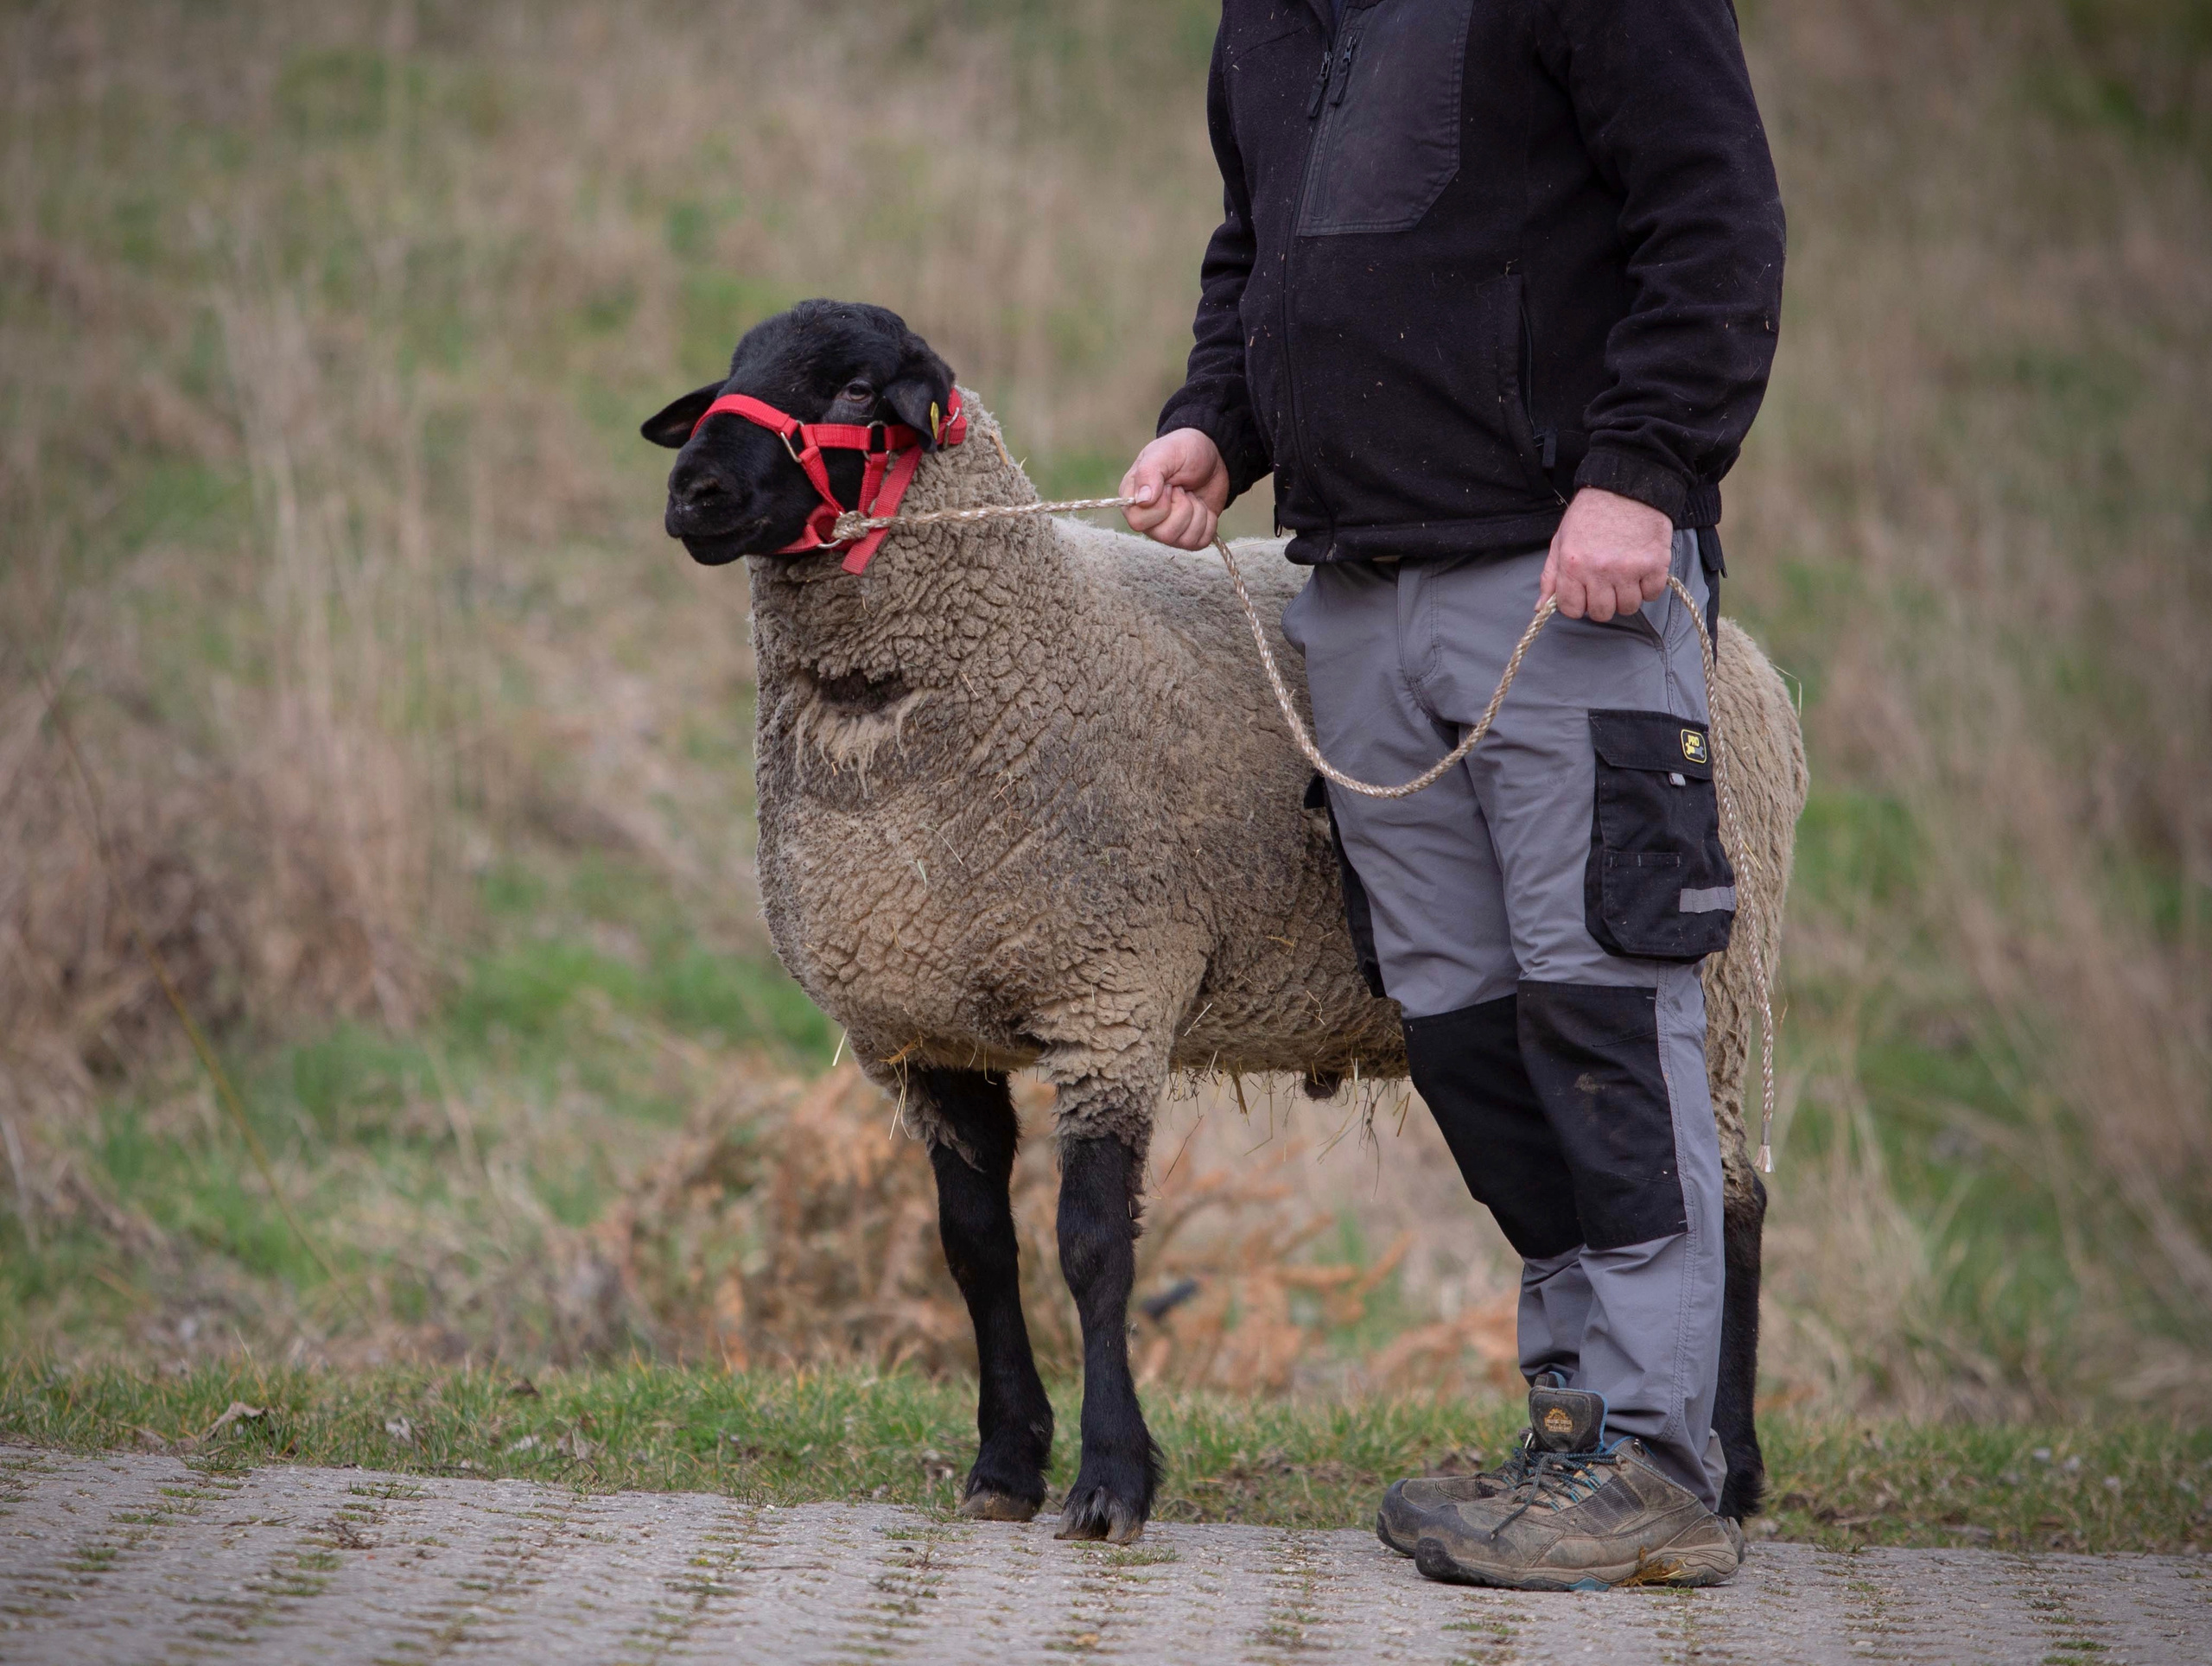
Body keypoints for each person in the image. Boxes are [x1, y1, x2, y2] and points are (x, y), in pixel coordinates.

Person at [1122, 0, 1784, 1590]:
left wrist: (1646, 470)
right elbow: (1261, 255)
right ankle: (1576, 1431)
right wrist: (1217, 422)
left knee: (1604, 1011)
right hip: (1355, 593)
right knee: (1466, 1033)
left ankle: (1658, 1462)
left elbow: (1714, 216)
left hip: (1568, 581)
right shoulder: (1271, 14)